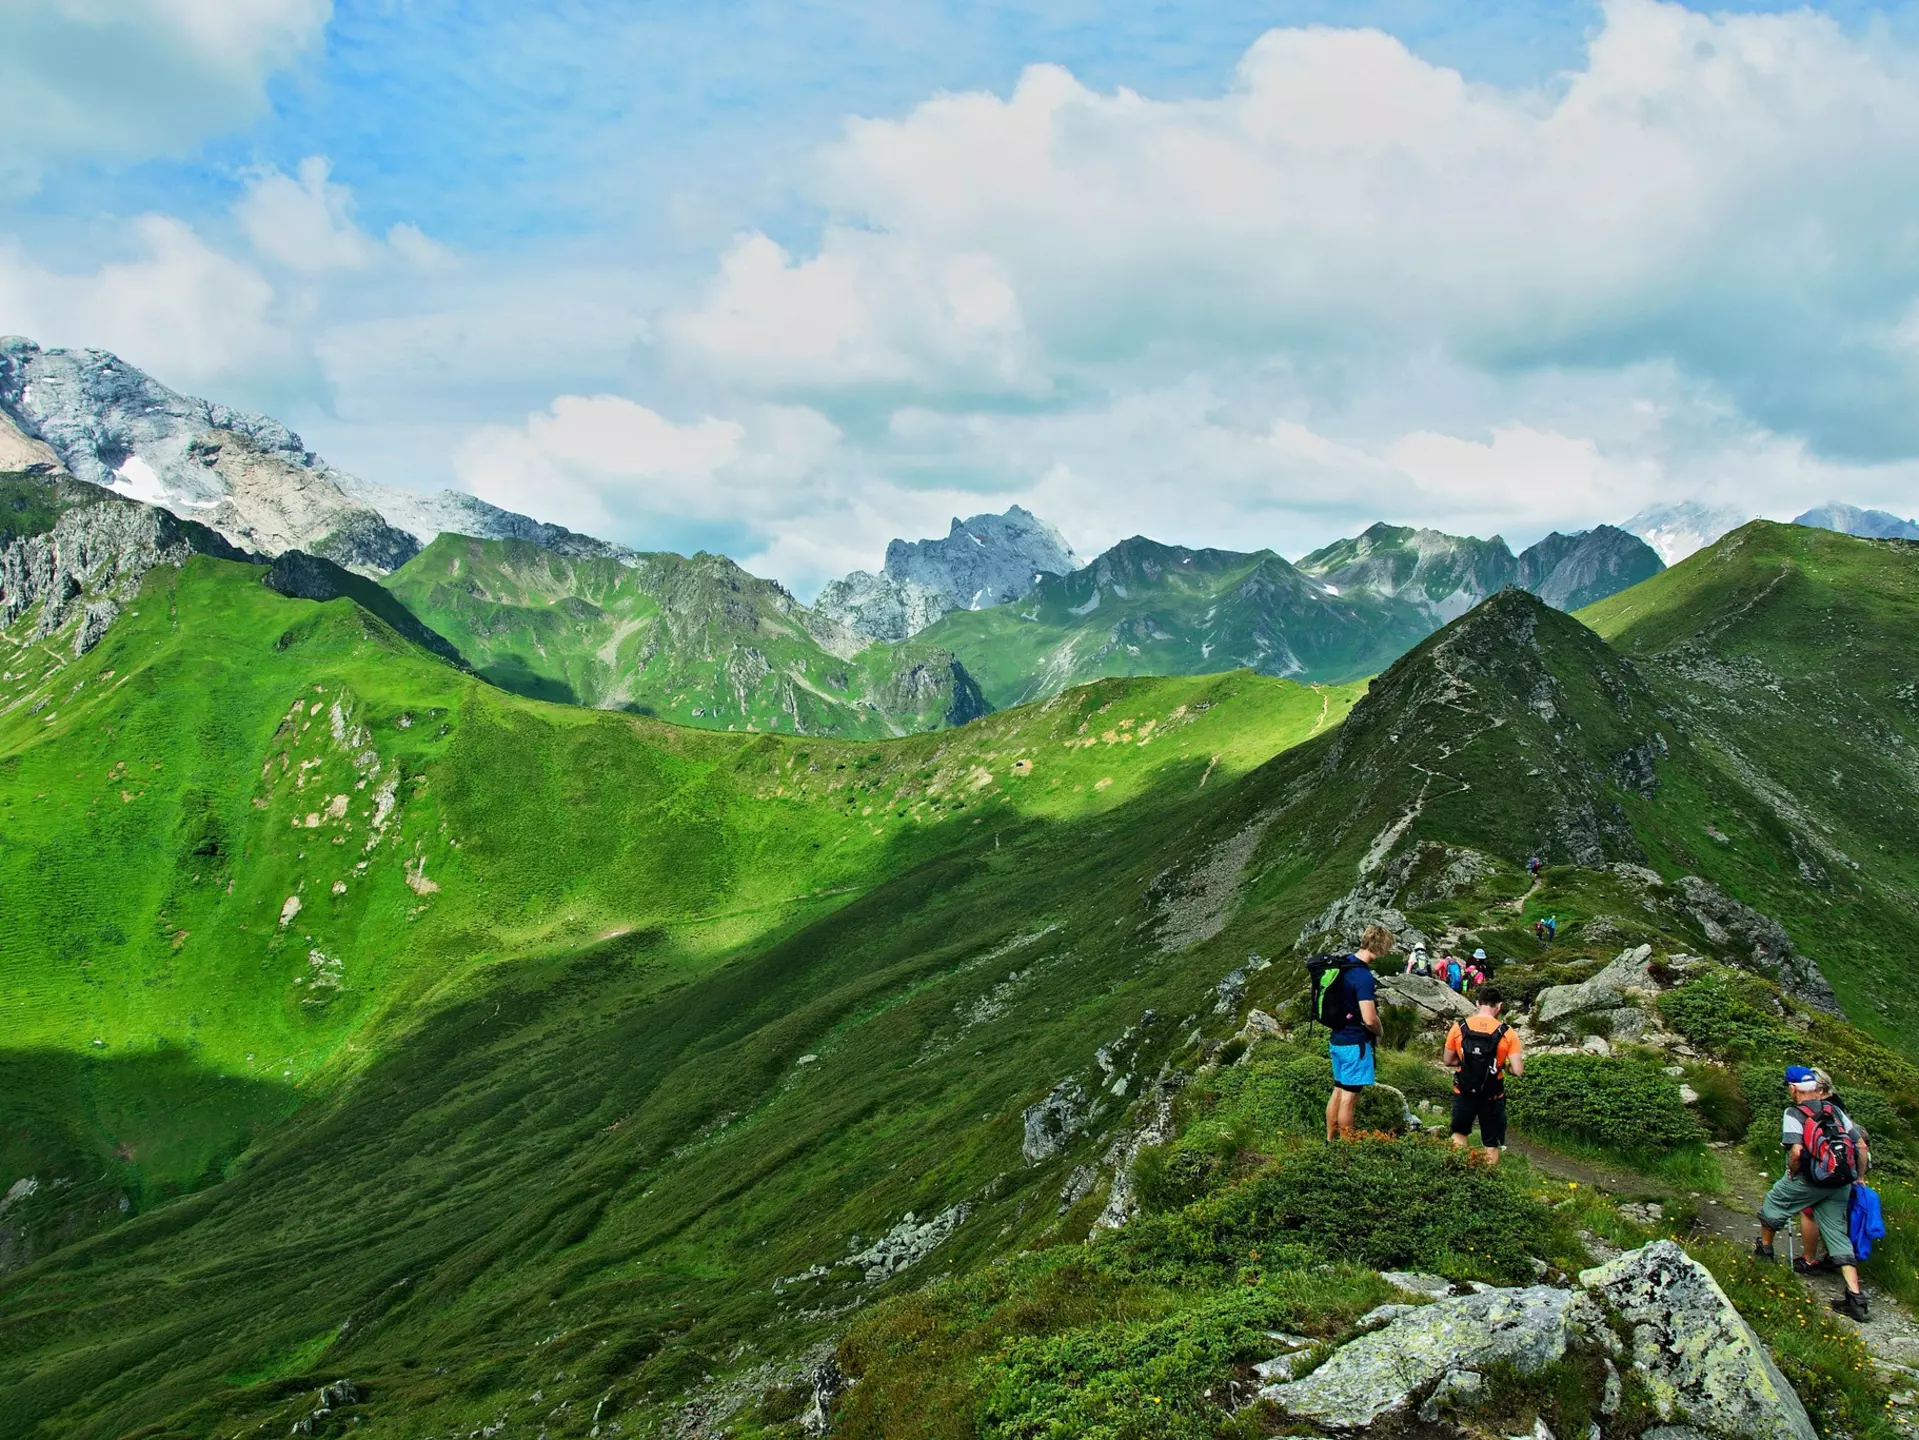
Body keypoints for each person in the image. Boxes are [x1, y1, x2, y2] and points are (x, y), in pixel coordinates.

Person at [1755, 1066, 1871, 1321]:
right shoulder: (1836, 1110)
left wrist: (1792, 1173)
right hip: (1840, 1181)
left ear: (1793, 1089)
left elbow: (1796, 1152)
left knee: (1774, 1202)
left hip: (1810, 1179)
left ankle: (1765, 1251)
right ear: (1816, 1089)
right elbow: (1859, 1145)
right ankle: (1856, 1298)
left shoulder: (1794, 1113)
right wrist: (1858, 1177)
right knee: (1837, 1233)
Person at [1444, 987, 1524, 1164]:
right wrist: (1505, 1067)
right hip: (1493, 1093)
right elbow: (1518, 1070)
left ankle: (1459, 1175)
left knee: (1459, 1133)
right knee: (1491, 1142)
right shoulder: (1507, 1032)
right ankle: (1488, 1180)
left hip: (1464, 1090)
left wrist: (1465, 1064)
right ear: (1500, 1006)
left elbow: (1447, 1060)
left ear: (1477, 1003)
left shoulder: (1459, 1027)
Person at [1324, 924, 1388, 1141]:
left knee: (1338, 1090)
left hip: (1337, 1039)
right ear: (1379, 948)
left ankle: (1330, 1140)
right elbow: (1369, 1018)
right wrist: (1379, 1031)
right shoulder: (1363, 976)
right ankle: (1347, 1146)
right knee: (1349, 1098)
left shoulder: (1343, 964)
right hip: (1355, 1044)